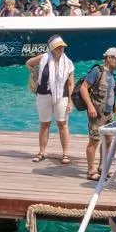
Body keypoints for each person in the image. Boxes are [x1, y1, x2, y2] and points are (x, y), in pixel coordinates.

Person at [26, 35, 75, 165]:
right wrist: (35, 73)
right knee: (44, 124)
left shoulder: (68, 62)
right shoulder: (44, 58)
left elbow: (70, 83)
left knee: (62, 123)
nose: (61, 49)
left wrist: (71, 101)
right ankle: (42, 152)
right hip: (43, 94)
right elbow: (28, 63)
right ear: (52, 48)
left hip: (62, 96)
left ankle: (65, 154)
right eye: (58, 47)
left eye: (62, 47)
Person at [77, 47, 116, 180]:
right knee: (94, 141)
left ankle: (103, 167)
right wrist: (90, 106)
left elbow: (112, 94)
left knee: (108, 140)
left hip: (108, 114)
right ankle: (91, 171)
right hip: (97, 114)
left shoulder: (112, 75)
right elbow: (83, 88)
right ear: (109, 58)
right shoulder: (97, 71)